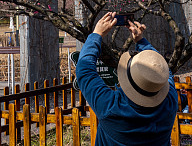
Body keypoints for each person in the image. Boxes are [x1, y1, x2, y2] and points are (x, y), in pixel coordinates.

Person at [76, 12, 178, 146]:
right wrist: (141, 41)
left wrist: (97, 34)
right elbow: (163, 70)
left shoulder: (111, 108)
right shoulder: (170, 102)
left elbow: (84, 69)